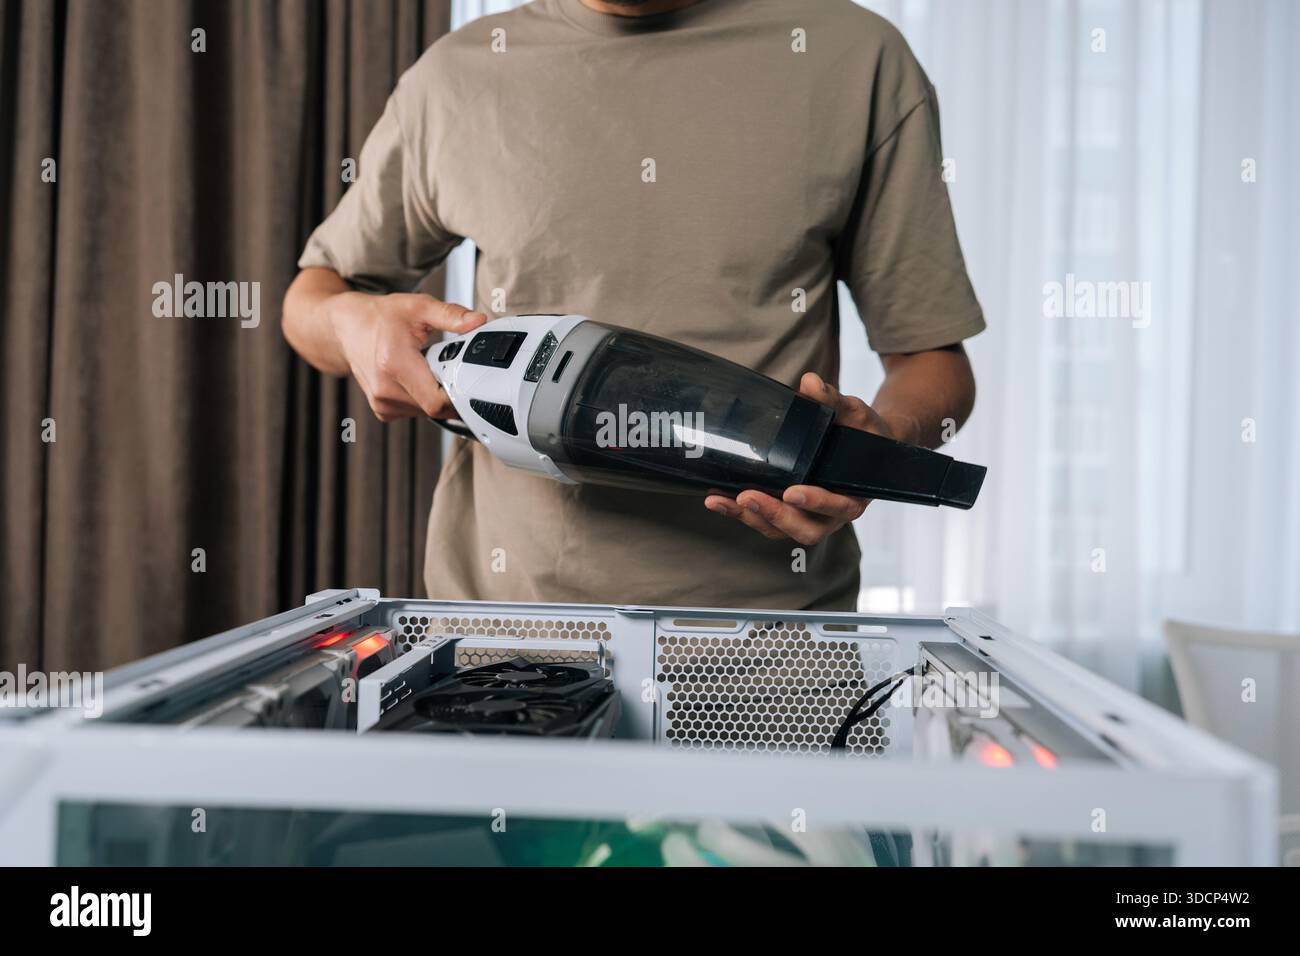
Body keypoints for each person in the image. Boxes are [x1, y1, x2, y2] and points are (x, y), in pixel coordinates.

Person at [282, 0, 983, 611]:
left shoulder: (857, 59)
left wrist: (880, 445)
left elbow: (933, 360)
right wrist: (359, 322)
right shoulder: (455, 79)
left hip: (774, 643)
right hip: (504, 636)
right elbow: (313, 296)